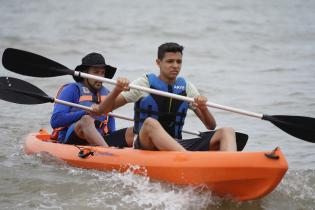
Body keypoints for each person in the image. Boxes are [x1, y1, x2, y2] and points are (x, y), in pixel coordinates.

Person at [93, 43, 237, 151]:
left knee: (227, 131)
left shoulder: (187, 87)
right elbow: (103, 110)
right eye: (170, 61)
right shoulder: (144, 83)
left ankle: (232, 167)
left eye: (179, 61)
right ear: (158, 63)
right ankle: (187, 161)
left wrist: (204, 109)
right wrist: (117, 90)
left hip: (176, 144)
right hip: (146, 144)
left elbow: (210, 125)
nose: (175, 66)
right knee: (150, 123)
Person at [50, 52, 133, 147]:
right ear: (85, 74)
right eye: (96, 72)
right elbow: (55, 121)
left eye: (102, 73)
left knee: (134, 130)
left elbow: (110, 129)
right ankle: (108, 152)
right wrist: (86, 112)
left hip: (100, 140)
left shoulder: (107, 94)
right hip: (74, 139)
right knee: (86, 120)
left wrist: (117, 142)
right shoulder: (71, 90)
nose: (100, 77)